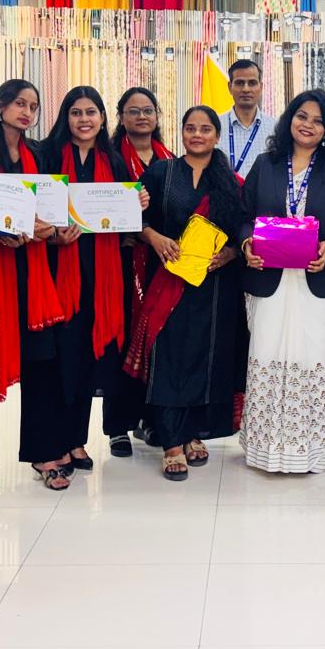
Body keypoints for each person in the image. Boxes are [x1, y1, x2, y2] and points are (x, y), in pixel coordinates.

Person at [239, 90, 325, 473]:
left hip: (319, 282)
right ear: (290, 118)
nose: (308, 125)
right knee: (267, 355)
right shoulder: (266, 164)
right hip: (270, 280)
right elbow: (243, 214)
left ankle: (312, 450)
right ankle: (265, 449)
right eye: (302, 116)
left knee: (316, 359)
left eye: (318, 120)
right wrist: (247, 243)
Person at [126, 106, 247, 481]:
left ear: (216, 136)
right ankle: (171, 442)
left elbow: (243, 227)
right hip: (169, 281)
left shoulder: (230, 181)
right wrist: (154, 237)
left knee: (205, 359)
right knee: (168, 358)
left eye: (205, 129)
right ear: (181, 132)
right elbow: (134, 217)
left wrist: (231, 253)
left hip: (215, 286)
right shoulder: (161, 172)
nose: (197, 135)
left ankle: (194, 432)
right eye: (190, 128)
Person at [46, 86, 148, 467]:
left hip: (103, 276)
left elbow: (126, 224)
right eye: (76, 112)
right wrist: (54, 236)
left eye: (91, 112)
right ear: (66, 117)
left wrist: (137, 204)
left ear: (103, 119)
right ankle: (57, 441)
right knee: (62, 362)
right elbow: (38, 210)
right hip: (60, 272)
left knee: (88, 360)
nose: (84, 119)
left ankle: (77, 442)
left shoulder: (114, 161)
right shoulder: (48, 156)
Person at [0, 79, 69, 489]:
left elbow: (50, 207)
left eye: (33, 106)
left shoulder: (39, 153)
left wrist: (53, 230)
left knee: (43, 363)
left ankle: (43, 452)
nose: (27, 113)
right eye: (19, 103)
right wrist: (0, 232)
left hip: (34, 271)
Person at [112, 86, 173, 454]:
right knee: (121, 341)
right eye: (133, 111)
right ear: (121, 117)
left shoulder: (171, 160)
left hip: (162, 264)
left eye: (148, 110)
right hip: (121, 262)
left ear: (157, 116)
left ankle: (150, 420)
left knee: (157, 342)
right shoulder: (110, 159)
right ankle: (117, 426)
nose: (141, 117)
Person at [222, 58, 270, 179]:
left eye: (252, 83)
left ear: (261, 87)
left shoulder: (275, 128)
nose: (246, 89)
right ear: (229, 87)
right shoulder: (215, 126)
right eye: (239, 83)